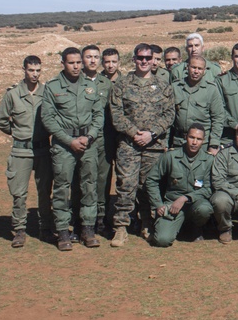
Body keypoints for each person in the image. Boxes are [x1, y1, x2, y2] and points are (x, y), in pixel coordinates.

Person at [109, 43, 176, 247]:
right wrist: (134, 133)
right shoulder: (121, 85)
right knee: (126, 184)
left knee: (148, 185)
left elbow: (169, 114)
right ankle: (121, 227)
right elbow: (116, 114)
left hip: (154, 144)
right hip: (129, 145)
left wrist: (151, 134)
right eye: (140, 58)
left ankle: (147, 222)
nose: (145, 61)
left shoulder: (163, 86)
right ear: (134, 59)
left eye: (148, 58)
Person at [41, 47, 104, 251]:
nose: (76, 66)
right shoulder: (52, 87)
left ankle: (87, 228)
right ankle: (63, 232)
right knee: (62, 188)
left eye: (78, 62)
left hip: (88, 143)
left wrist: (90, 136)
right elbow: (48, 119)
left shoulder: (90, 86)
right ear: (63, 64)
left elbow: (98, 115)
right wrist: (69, 140)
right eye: (71, 62)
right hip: (64, 145)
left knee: (89, 186)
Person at [0, 55, 53, 247]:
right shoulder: (13, 94)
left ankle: (45, 228)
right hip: (21, 151)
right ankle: (19, 230)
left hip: (43, 150)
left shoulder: (47, 92)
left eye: (38, 70)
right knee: (19, 193)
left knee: (45, 192)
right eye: (31, 70)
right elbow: (1, 120)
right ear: (24, 70)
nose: (34, 74)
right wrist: (17, 132)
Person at [146, 125, 214, 247]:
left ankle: (196, 227)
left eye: (198, 139)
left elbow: (208, 188)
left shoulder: (209, 160)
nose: (194, 142)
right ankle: (175, 226)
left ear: (203, 141)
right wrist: (158, 204)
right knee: (162, 240)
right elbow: (151, 180)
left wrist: (185, 198)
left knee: (205, 209)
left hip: (195, 203)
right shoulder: (171, 156)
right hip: (172, 205)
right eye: (191, 137)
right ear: (185, 137)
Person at [74, 44, 113, 239]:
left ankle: (100, 219)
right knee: (80, 180)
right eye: (88, 57)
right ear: (82, 59)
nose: (92, 60)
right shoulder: (74, 81)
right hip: (81, 138)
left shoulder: (106, 83)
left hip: (102, 140)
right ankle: (78, 219)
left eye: (96, 57)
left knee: (102, 180)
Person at [171, 55, 224, 153]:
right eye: (193, 67)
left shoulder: (211, 90)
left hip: (203, 144)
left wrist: (214, 144)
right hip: (179, 142)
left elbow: (218, 118)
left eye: (200, 68)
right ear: (187, 67)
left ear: (204, 71)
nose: (196, 71)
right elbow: (169, 117)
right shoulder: (176, 87)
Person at [96, 47, 122, 233]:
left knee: (125, 178)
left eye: (114, 61)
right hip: (103, 136)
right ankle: (100, 217)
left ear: (119, 62)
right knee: (102, 178)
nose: (110, 65)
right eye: (107, 61)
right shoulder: (96, 82)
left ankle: (126, 215)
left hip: (122, 136)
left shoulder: (127, 81)